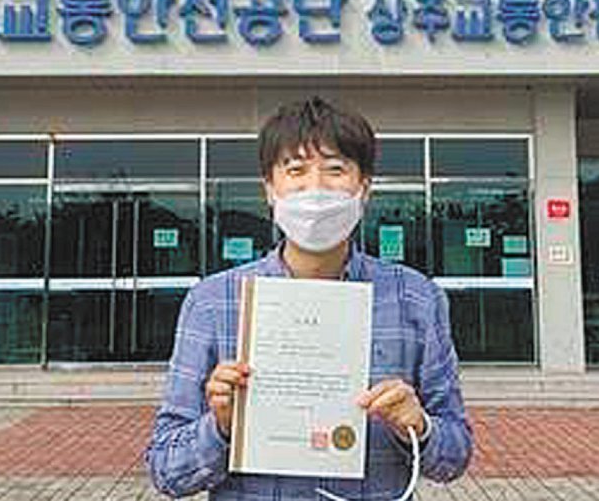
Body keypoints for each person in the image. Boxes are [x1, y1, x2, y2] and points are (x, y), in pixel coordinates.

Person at [145, 96, 473, 500]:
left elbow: (455, 457)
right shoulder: (213, 301)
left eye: (335, 169)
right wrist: (223, 426)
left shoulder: (416, 298)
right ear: (270, 189)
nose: (315, 188)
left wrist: (418, 427)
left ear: (364, 188)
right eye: (296, 169)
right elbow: (166, 471)